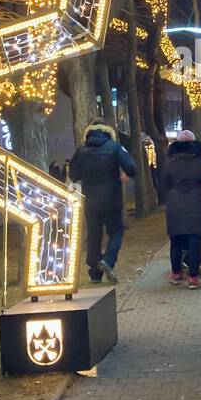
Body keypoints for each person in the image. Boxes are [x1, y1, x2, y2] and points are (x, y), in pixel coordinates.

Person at [68, 122, 136, 284]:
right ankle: (108, 260)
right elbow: (131, 167)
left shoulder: (81, 150)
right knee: (116, 231)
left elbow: (73, 173)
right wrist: (125, 173)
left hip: (90, 199)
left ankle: (94, 273)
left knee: (93, 235)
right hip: (112, 198)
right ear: (108, 133)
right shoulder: (115, 147)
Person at [162, 129, 201, 289]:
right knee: (194, 240)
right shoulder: (199, 160)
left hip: (175, 203)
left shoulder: (170, 161)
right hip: (196, 202)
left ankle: (176, 273)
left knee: (175, 240)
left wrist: (170, 195)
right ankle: (192, 276)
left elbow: (164, 183)